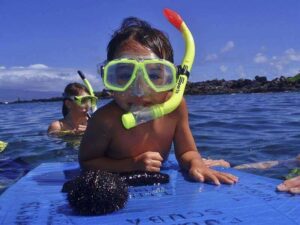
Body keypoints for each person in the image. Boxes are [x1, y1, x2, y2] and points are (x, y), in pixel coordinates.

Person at [79, 16, 238, 185]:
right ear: (109, 77)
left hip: (159, 181)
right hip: (119, 186)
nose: (139, 90)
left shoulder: (175, 107)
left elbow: (187, 151)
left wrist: (196, 163)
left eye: (153, 75)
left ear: (169, 78)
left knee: (233, 165)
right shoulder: (105, 120)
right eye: (126, 75)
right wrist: (130, 165)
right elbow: (87, 162)